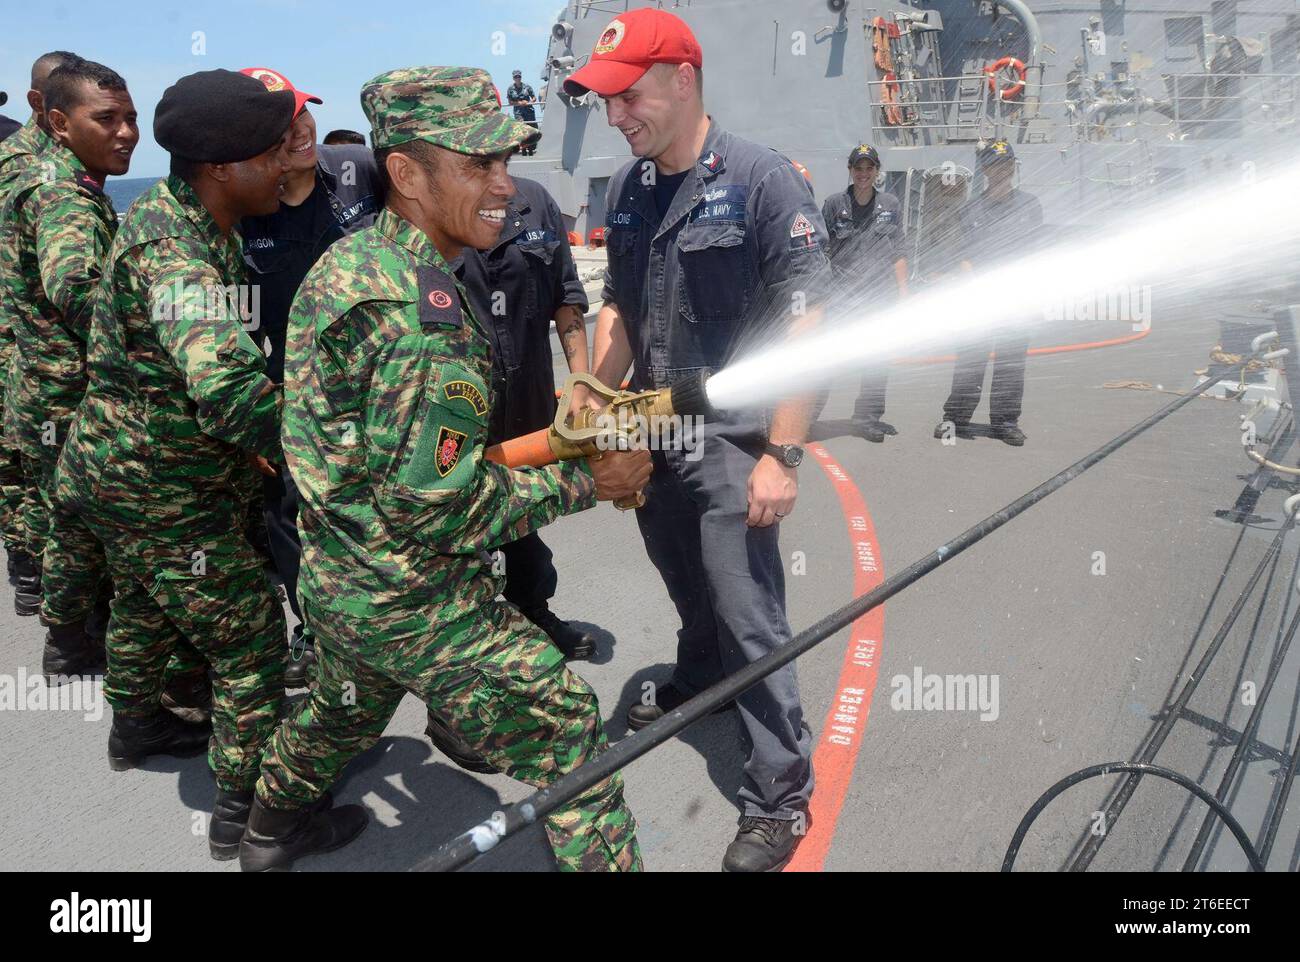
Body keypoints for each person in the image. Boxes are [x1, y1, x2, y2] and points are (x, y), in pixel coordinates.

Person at [242, 66, 648, 873]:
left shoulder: (347, 265)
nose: (506, 185)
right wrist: (590, 480)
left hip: (337, 576)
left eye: (507, 160)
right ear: (405, 173)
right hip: (412, 592)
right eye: (477, 165)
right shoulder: (424, 321)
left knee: (339, 711)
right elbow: (440, 511)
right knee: (566, 724)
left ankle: (266, 834)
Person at [566, 8, 828, 871]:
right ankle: (701, 673)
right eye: (606, 103)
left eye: (628, 97)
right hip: (655, 428)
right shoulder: (632, 191)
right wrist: (595, 397)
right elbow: (621, 309)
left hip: (732, 438)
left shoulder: (763, 181)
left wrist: (782, 457)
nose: (616, 117)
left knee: (751, 614)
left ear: (684, 79)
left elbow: (806, 324)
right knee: (683, 579)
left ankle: (779, 797)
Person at [52, 68, 296, 857]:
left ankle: (137, 724)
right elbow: (226, 387)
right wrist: (315, 455)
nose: (289, 167)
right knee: (251, 637)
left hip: (128, 471)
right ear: (225, 169)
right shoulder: (175, 254)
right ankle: (253, 815)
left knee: (149, 604)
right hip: (158, 486)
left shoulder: (185, 215)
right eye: (274, 155)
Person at [239, 67, 383, 688]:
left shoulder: (360, 168)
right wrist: (252, 421)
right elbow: (237, 333)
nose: (298, 130)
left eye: (302, 112)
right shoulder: (241, 216)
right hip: (295, 394)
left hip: (386, 381)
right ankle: (315, 631)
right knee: (294, 516)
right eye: (278, 123)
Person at [0, 59, 137, 678]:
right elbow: (76, 285)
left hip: (42, 381)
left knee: (69, 519)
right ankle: (76, 641)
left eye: (130, 118)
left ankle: (71, 640)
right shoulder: (63, 195)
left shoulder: (43, 176)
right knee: (85, 522)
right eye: (106, 119)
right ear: (58, 122)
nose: (126, 132)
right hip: (70, 390)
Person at [0, 50, 81, 616]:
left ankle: (34, 580)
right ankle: (56, 600)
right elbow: (70, 284)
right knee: (43, 476)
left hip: (21, 344)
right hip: (35, 348)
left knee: (24, 471)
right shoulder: (47, 174)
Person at [935, 139, 1042, 446]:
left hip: (1016, 297)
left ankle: (1005, 422)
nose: (1000, 170)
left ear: (1012, 166)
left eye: (1005, 164)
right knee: (970, 360)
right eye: (994, 164)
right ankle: (955, 420)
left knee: (1011, 362)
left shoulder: (1030, 205)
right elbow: (963, 256)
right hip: (979, 299)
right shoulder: (971, 209)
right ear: (985, 169)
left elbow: (1035, 254)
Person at [820, 143, 909, 442]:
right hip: (841, 295)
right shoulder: (834, 205)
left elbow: (898, 251)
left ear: (876, 171)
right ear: (850, 170)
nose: (863, 173)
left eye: (869, 168)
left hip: (878, 296)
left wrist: (903, 295)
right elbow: (822, 251)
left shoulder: (891, 205)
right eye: (858, 168)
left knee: (876, 360)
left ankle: (867, 418)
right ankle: (807, 415)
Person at [506, 70, 538, 156]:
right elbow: (510, 102)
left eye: (519, 76)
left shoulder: (527, 87)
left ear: (521, 77)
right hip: (518, 112)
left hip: (529, 111)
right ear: (513, 78)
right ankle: (524, 149)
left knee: (531, 129)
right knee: (521, 130)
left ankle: (531, 149)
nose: (517, 78)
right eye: (516, 77)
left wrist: (530, 102)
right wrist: (519, 103)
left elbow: (534, 97)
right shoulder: (510, 89)